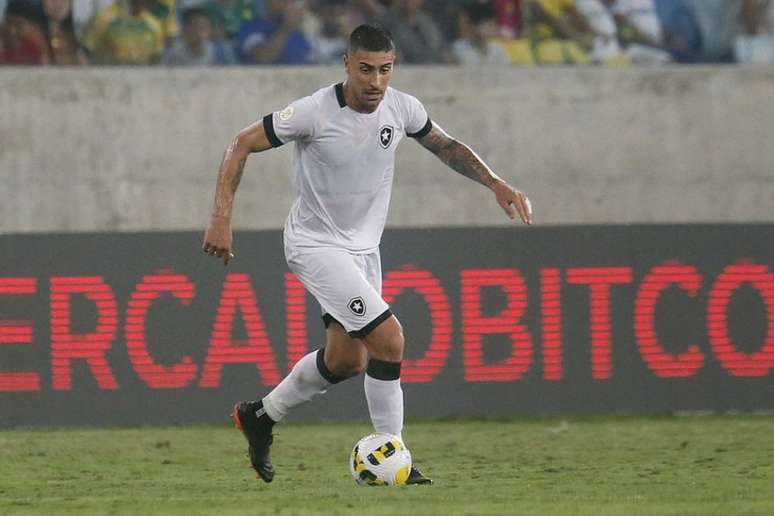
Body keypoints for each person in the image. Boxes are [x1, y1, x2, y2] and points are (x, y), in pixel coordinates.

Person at [201, 24, 532, 485]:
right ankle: (395, 455)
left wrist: (495, 182)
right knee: (390, 340)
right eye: (365, 70)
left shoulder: (402, 108)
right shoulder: (313, 112)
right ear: (346, 65)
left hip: (362, 250)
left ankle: (260, 415)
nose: (376, 82)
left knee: (346, 361)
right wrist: (221, 217)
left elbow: (446, 146)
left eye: (385, 70)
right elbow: (240, 143)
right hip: (315, 245)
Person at [236, 0, 311, 65]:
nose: (288, 3)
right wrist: (286, 30)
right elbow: (262, 59)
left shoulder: (298, 31)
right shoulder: (251, 26)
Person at [162, 6, 235, 65]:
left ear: (210, 29)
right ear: (184, 29)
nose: (198, 31)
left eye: (203, 27)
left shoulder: (220, 51)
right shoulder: (174, 52)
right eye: (194, 26)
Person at [42, 0, 88, 65]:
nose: (58, 4)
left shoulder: (82, 34)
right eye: (52, 0)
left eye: (63, 0)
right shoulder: (34, 31)